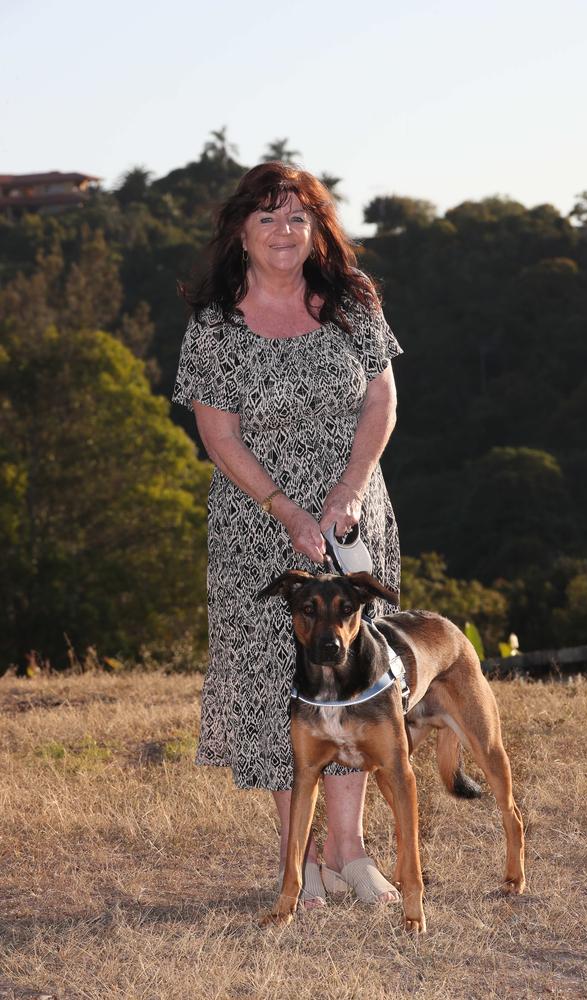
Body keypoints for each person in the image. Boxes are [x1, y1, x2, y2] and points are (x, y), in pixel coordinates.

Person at [171, 161, 403, 908]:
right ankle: (297, 863)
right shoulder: (215, 323)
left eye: (297, 217)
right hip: (255, 526)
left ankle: (350, 854)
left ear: (317, 228)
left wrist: (346, 491)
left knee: (356, 678)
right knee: (277, 684)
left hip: (352, 515)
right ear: (240, 229)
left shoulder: (353, 300)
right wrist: (287, 509)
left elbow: (381, 400)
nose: (283, 231)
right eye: (267, 217)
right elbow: (218, 434)